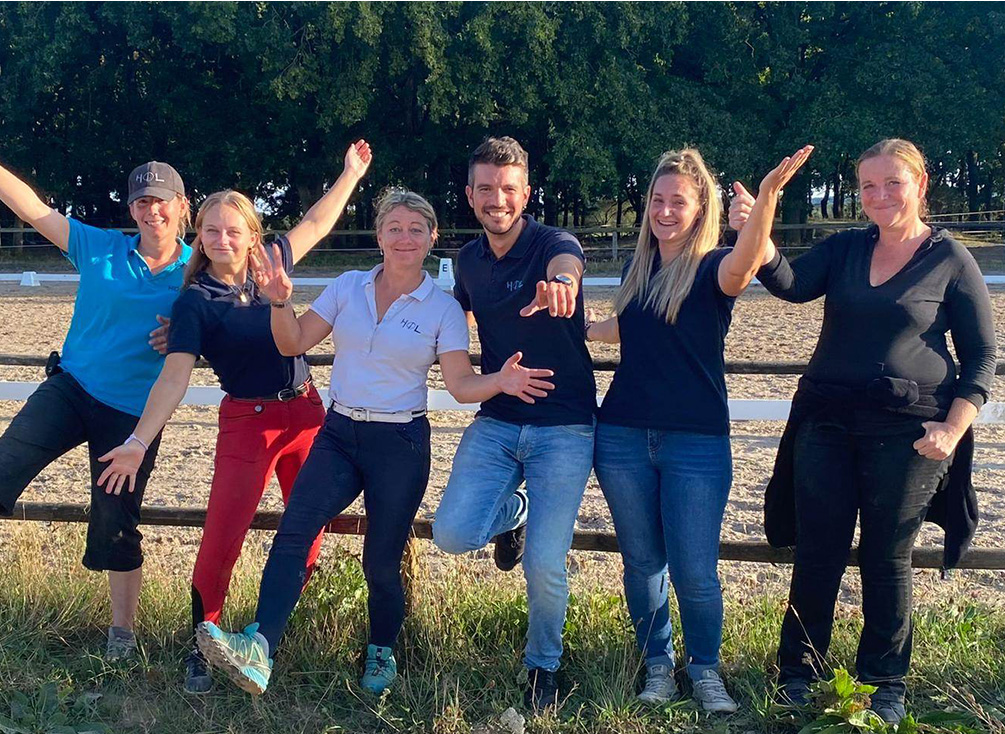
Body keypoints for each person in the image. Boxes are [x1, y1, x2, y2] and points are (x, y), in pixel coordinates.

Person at [194, 188, 556, 697]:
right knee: (294, 532)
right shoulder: (347, 287)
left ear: (432, 238)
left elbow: (458, 384)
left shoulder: (443, 309)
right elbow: (292, 342)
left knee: (380, 560)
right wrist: (279, 301)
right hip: (339, 434)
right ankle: (260, 649)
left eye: (415, 229)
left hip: (400, 442)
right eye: (393, 228)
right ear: (379, 235)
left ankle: (381, 648)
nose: (404, 238)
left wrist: (500, 381)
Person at [730, 139, 996, 724]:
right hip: (825, 419)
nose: (878, 196)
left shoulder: (951, 258)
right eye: (868, 185)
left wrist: (952, 429)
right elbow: (789, 282)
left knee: (887, 556)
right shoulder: (848, 247)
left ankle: (883, 682)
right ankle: (798, 674)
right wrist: (758, 222)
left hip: (910, 430)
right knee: (817, 551)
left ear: (921, 184)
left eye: (892, 183)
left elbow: (981, 358)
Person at [96, 141, 373, 692]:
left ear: (252, 233)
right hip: (247, 421)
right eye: (211, 232)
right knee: (223, 533)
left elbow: (317, 221)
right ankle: (204, 640)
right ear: (199, 236)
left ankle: (263, 635)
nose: (223, 241)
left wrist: (350, 173)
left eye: (233, 230)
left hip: (307, 416)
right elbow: (174, 377)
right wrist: (138, 440)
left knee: (308, 527)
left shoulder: (272, 264)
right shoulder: (194, 301)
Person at [586, 147, 813, 713]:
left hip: (695, 440)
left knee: (694, 568)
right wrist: (579, 325)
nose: (665, 211)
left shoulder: (715, 266)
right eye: (658, 201)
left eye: (677, 202)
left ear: (699, 208)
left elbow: (747, 261)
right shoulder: (641, 268)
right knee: (641, 563)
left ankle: (705, 668)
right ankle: (657, 665)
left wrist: (765, 201)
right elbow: (633, 327)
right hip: (621, 436)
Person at [430, 136, 597, 711]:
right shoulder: (470, 260)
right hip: (497, 418)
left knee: (545, 562)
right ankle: (516, 512)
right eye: (484, 188)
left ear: (525, 192)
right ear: (470, 193)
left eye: (507, 189)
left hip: (564, 427)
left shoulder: (551, 243)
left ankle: (542, 665)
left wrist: (564, 287)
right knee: (451, 533)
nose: (495, 199)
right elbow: (450, 319)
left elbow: (568, 262)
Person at [0, 158, 190, 659]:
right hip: (71, 388)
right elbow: (32, 208)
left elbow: (229, 330)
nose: (153, 211)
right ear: (132, 208)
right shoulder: (99, 246)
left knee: (116, 521)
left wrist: (188, 336)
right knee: (3, 468)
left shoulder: (197, 270)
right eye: (142, 201)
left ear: (181, 206)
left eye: (161, 201)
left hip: (132, 416)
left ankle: (122, 633)